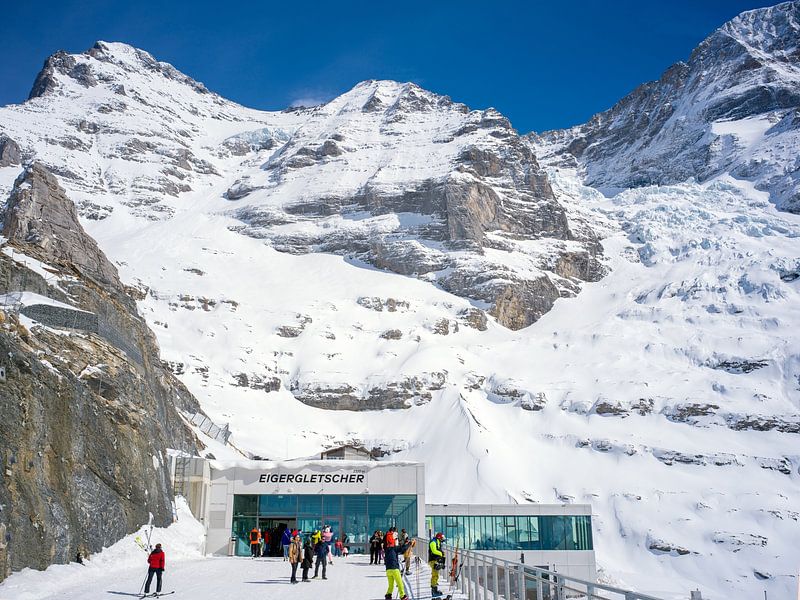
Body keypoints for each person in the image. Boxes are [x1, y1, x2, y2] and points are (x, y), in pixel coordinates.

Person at [384, 535, 413, 600]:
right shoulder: (394, 548)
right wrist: (409, 544)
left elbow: (401, 548)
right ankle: (402, 596)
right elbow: (403, 549)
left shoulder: (386, 550)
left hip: (388, 570)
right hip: (394, 569)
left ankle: (388, 595)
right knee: (400, 583)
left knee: (391, 585)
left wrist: (406, 544)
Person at [429, 532, 445, 597]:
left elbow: (439, 551)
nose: (442, 540)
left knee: (436, 575)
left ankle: (435, 589)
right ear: (439, 538)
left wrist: (442, 563)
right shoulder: (433, 542)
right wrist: (441, 553)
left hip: (436, 560)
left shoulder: (438, 542)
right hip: (433, 561)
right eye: (441, 538)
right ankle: (433, 591)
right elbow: (434, 551)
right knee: (434, 575)